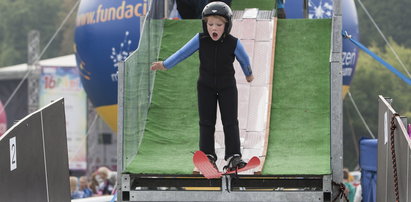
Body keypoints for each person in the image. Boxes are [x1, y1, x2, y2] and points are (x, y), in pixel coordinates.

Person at [151, 1, 254, 172]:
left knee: (230, 122)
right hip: (205, 87)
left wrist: (248, 74)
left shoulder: (233, 42)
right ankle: (208, 156)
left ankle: (233, 157)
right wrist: (165, 64)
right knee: (206, 122)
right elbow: (182, 53)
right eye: (210, 24)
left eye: (219, 24)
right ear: (205, 24)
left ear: (227, 25)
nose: (214, 27)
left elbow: (244, 59)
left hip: (227, 87)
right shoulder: (200, 39)